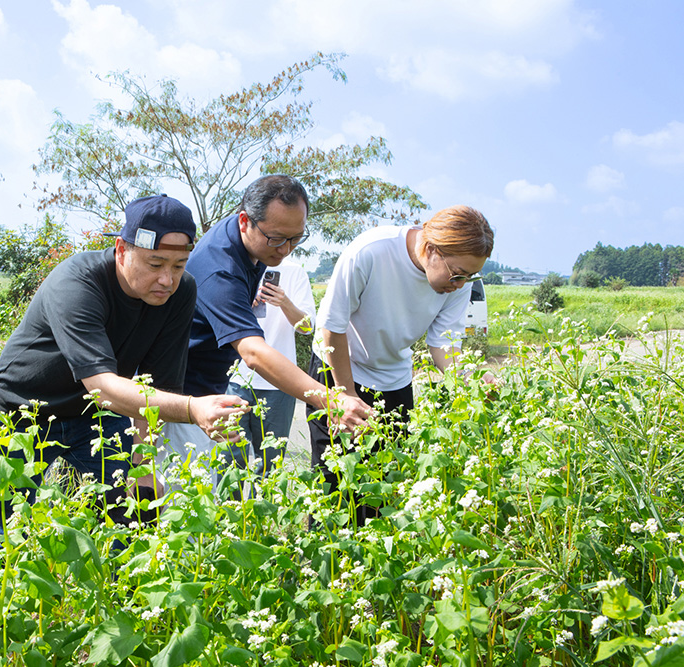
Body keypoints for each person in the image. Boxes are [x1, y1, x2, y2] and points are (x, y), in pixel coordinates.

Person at [0, 194, 244, 527]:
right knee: (8, 524)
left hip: (97, 415)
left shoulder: (180, 292)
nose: (167, 279)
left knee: (131, 515)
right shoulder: (78, 282)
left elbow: (158, 383)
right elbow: (102, 387)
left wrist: (144, 465)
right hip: (27, 411)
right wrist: (193, 409)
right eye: (155, 264)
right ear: (122, 250)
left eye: (179, 266)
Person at [163, 175, 372, 474]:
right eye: (277, 238)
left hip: (207, 389)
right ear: (245, 221)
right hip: (181, 399)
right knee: (185, 491)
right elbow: (253, 353)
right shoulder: (219, 269)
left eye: (296, 238)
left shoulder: (256, 245)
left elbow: (304, 326)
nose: (285, 249)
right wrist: (331, 400)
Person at [310, 204, 495, 522]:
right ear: (432, 249)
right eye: (457, 274)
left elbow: (444, 344)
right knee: (335, 488)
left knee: (386, 490)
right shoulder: (371, 251)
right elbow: (332, 326)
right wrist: (345, 395)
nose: (460, 284)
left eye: (469, 277)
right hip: (337, 369)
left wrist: (471, 381)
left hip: (393, 380)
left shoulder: (457, 281)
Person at [225, 257, 315, 476]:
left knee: (270, 465)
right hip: (234, 378)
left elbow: (307, 327)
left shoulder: (294, 271)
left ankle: (264, 501)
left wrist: (284, 302)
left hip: (278, 384)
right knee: (230, 463)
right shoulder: (234, 265)